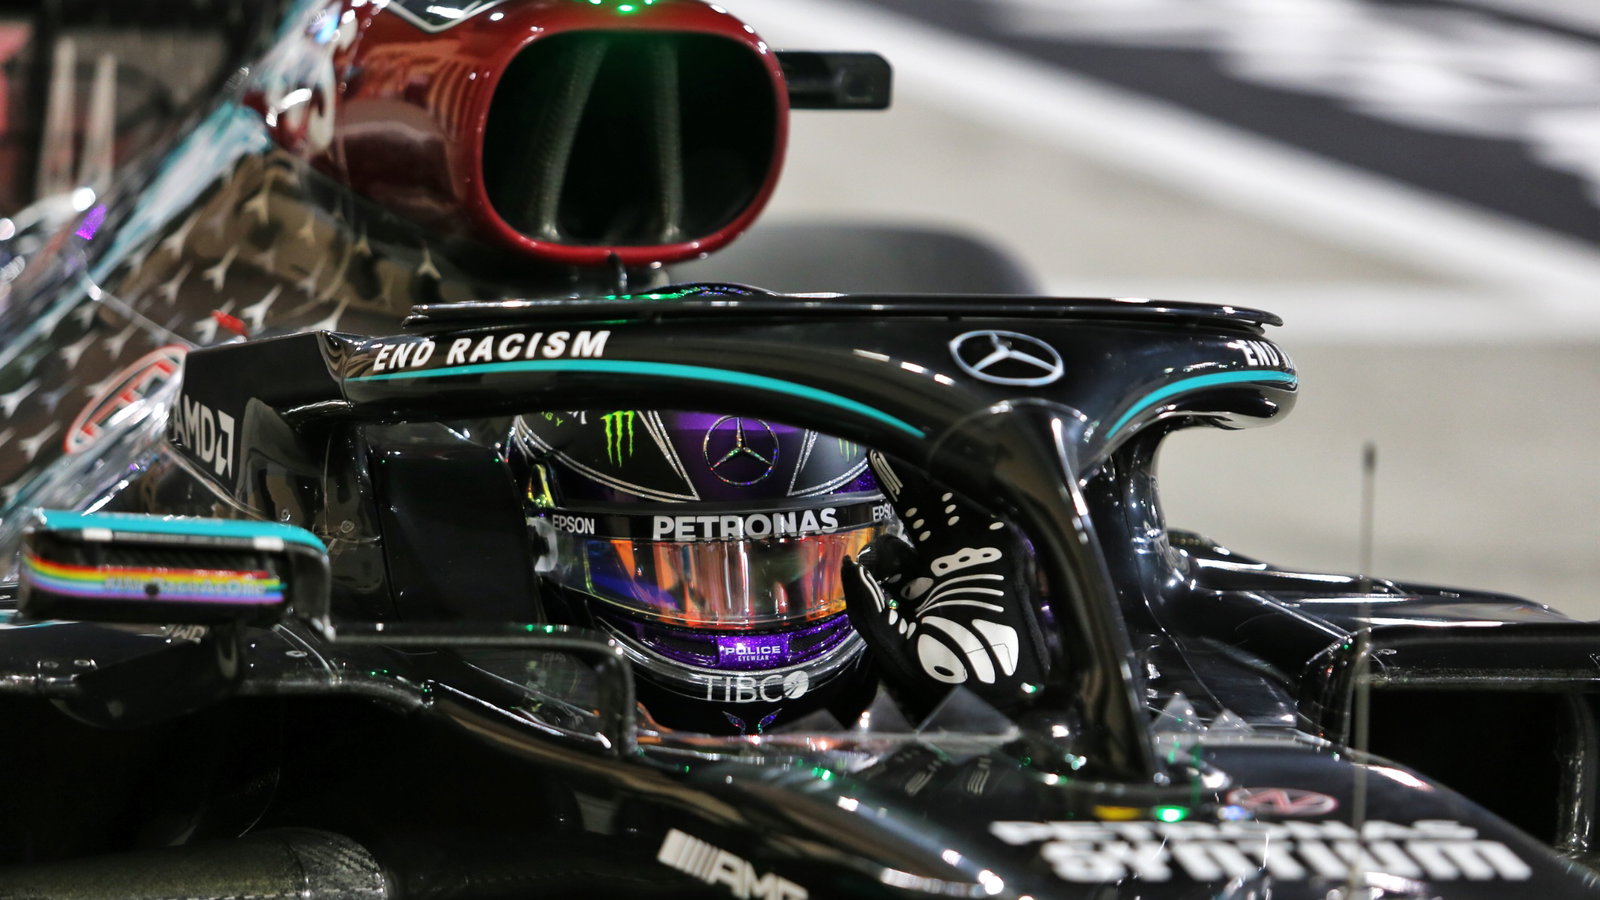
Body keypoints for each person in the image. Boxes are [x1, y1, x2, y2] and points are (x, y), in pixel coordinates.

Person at [511, 408, 1047, 733]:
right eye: (671, 571)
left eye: (797, 560)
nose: (748, 618)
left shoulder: (911, 682)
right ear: (545, 550)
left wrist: (991, 723)